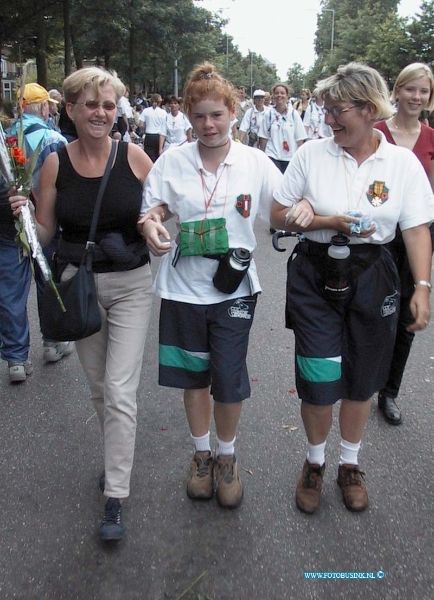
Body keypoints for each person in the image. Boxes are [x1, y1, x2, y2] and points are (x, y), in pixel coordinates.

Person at [270, 62, 434, 515]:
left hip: (373, 273)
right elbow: (277, 214)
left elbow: (417, 228)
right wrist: (317, 219)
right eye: (326, 110)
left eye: (338, 111)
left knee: (362, 378)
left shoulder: (400, 164)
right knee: (320, 378)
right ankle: (315, 461)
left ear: (367, 109)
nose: (328, 120)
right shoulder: (310, 155)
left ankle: (350, 464)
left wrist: (421, 285)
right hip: (314, 274)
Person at [10, 67, 154, 540]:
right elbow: (46, 235)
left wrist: (155, 224)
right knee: (100, 388)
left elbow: (161, 206)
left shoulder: (136, 158)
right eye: (90, 104)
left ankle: (116, 494)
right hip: (79, 286)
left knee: (119, 387)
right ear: (69, 109)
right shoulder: (54, 163)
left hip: (131, 283)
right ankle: (117, 454)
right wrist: (26, 219)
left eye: (108, 104)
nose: (100, 112)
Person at [139, 62, 282, 510]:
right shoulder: (172, 161)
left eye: (216, 115)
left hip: (234, 288)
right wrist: (152, 224)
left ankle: (227, 455)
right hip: (183, 287)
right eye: (198, 115)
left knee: (228, 377)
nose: (208, 124)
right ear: (187, 116)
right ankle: (201, 455)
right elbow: (154, 208)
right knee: (194, 377)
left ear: (232, 113)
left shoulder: (255, 162)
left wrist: (308, 213)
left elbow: (280, 210)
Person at [374, 62, 434, 425]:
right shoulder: (378, 131)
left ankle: (389, 391)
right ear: (396, 91)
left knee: (407, 315)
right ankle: (364, 380)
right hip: (378, 235)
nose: (416, 96)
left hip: (418, 234)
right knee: (372, 310)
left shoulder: (432, 137)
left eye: (424, 91)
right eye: (410, 89)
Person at [1, 83, 70, 383]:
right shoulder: (53, 139)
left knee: (11, 289)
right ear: (44, 108)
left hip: (7, 219)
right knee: (47, 277)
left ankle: (16, 359)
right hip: (45, 221)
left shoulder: (5, 139)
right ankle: (53, 343)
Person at [258, 83, 306, 174]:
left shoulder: (293, 114)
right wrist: (262, 157)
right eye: (277, 93)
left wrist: (301, 159)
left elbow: (300, 138)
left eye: (282, 93)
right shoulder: (268, 114)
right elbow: (263, 137)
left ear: (287, 95)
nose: (279, 95)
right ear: (273, 96)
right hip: (272, 155)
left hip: (290, 157)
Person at [138, 93, 167, 162]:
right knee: (158, 157)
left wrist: (145, 128)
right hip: (159, 136)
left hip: (149, 135)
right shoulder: (163, 112)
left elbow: (141, 124)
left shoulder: (146, 111)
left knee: (149, 157)